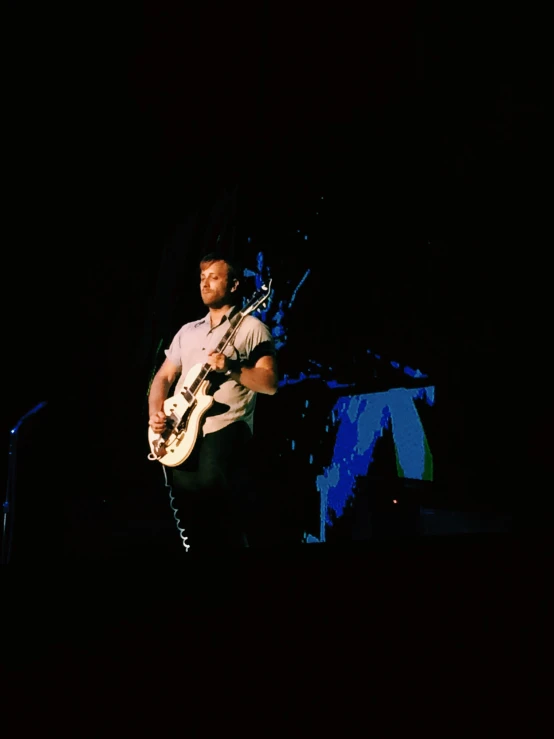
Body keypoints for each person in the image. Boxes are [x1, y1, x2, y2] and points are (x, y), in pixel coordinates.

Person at [148, 252, 278, 553]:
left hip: (225, 428)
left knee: (220, 515)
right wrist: (156, 413)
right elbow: (164, 378)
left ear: (233, 285)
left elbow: (269, 384)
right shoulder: (188, 331)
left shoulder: (251, 328)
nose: (205, 284)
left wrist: (230, 368)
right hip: (181, 433)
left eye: (214, 277)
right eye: (202, 278)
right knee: (191, 520)